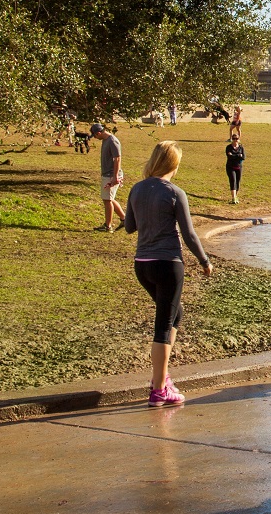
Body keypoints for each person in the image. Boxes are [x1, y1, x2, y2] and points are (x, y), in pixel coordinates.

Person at [122, 140, 215, 407]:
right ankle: (159, 390)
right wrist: (205, 261)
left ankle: (160, 377)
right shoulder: (175, 192)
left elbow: (129, 227)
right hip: (168, 264)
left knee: (176, 314)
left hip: (143, 265)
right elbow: (189, 234)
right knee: (163, 326)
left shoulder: (137, 189)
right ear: (173, 164)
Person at [94, 123, 125, 231]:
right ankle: (124, 219)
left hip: (111, 175)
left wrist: (115, 176)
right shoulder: (105, 140)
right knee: (109, 199)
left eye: (94, 135)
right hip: (107, 174)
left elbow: (117, 158)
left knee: (107, 200)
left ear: (98, 133)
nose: (95, 138)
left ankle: (108, 226)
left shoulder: (112, 141)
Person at [225, 134, 246, 204]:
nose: (235, 140)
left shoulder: (241, 148)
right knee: (233, 181)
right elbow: (229, 156)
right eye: (233, 139)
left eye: (236, 139)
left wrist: (234, 155)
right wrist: (238, 155)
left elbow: (243, 157)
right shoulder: (228, 147)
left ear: (238, 139)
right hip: (230, 167)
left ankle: (236, 196)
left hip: (239, 167)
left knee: (238, 181)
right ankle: (233, 197)